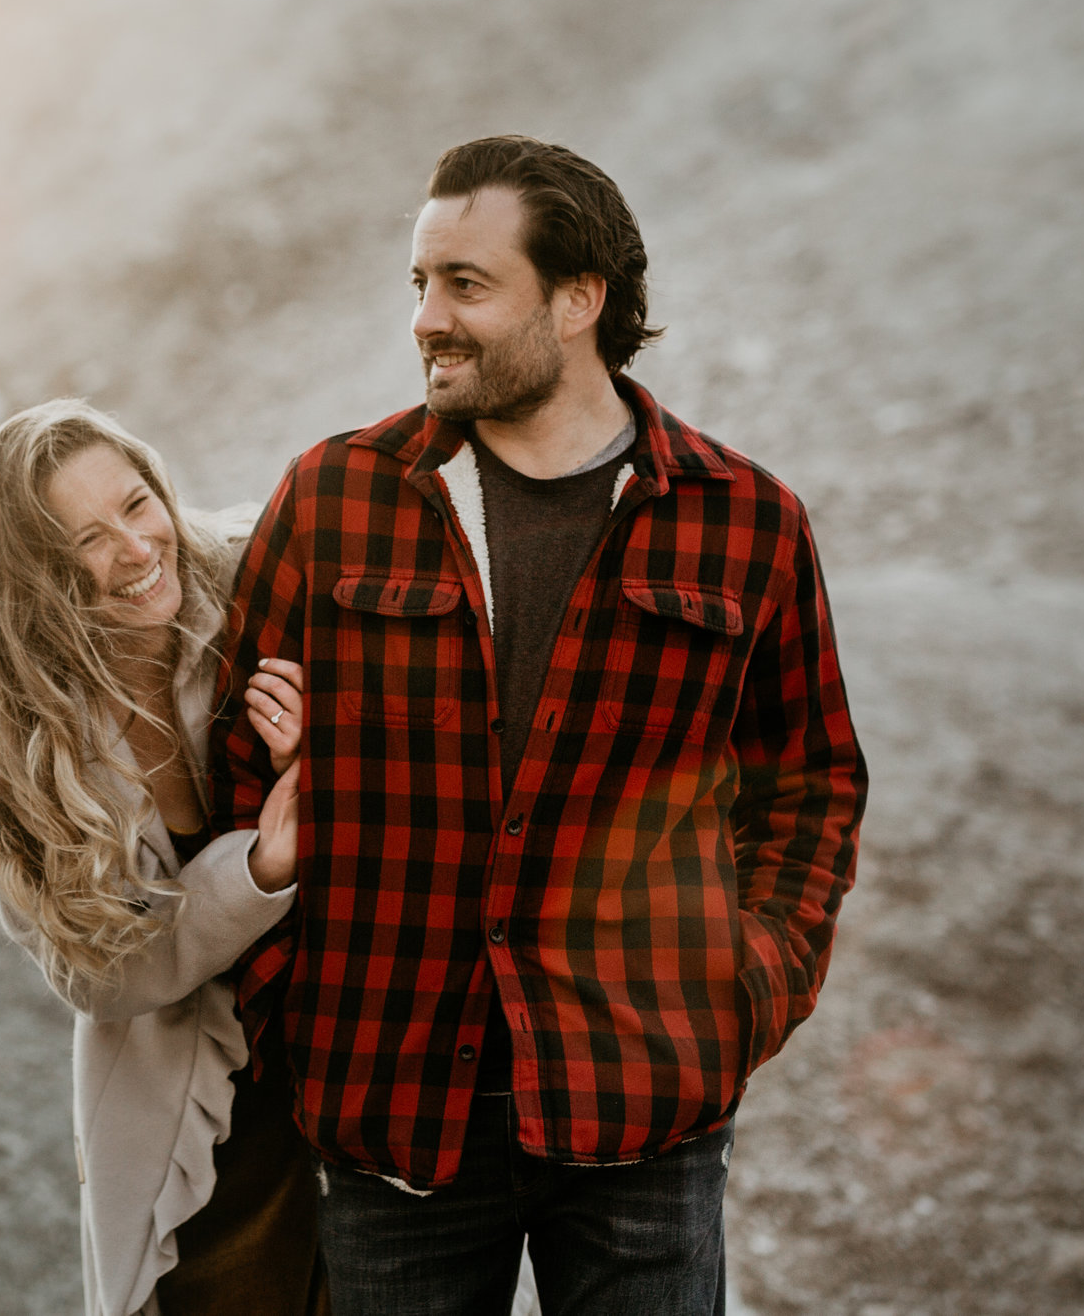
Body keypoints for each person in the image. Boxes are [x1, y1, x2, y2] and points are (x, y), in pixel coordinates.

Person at [211, 135, 868, 1316]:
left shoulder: (745, 522)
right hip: (391, 1108)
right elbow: (225, 763)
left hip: (644, 1109)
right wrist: (292, 1006)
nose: (427, 317)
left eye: (466, 283)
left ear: (576, 300)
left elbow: (811, 788)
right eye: (418, 283)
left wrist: (743, 995)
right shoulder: (334, 498)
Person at [0, 400, 329, 1316]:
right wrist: (259, 868)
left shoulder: (258, 579)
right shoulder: (7, 735)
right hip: (202, 1128)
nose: (136, 551)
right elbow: (100, 970)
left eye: (137, 505)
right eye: (84, 544)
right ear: (32, 579)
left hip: (358, 1067)